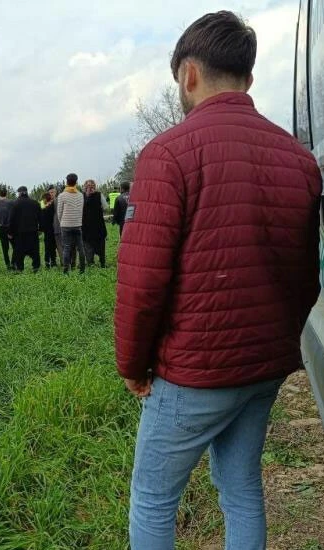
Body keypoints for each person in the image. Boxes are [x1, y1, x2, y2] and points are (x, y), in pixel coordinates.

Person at [115, 12, 322, 550]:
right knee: (241, 487)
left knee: (153, 498)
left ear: (188, 74)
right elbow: (307, 275)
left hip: (196, 371)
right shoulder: (300, 161)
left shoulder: (168, 154)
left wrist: (132, 365)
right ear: (248, 78)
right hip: (264, 367)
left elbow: (141, 285)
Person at [8, 186, 43, 272]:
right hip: (33, 231)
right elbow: (41, 217)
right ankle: (36, 267)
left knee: (19, 251)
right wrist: (40, 229)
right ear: (27, 192)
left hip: (19, 233)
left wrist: (10, 232)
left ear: (19, 193)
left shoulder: (15, 204)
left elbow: (11, 219)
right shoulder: (35, 203)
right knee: (35, 251)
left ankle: (20, 268)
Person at [57, 173, 86, 274]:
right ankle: (82, 269)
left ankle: (66, 270)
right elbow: (81, 210)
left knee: (66, 247)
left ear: (66, 182)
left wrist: (62, 222)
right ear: (76, 182)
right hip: (77, 224)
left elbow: (59, 212)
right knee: (80, 247)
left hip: (65, 225)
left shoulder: (62, 195)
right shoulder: (80, 195)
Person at [82, 180, 107, 268]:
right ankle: (100, 263)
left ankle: (92, 263)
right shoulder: (99, 195)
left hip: (90, 225)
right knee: (97, 244)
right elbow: (105, 207)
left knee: (89, 245)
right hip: (95, 225)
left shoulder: (82, 196)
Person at [0, 186, 15, 269]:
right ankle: (13, 263)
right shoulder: (12, 202)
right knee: (15, 246)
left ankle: (7, 264)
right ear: (7, 193)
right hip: (11, 227)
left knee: (4, 248)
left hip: (1, 228)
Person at [39, 191, 58, 268]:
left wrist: (41, 229)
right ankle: (53, 262)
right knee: (53, 247)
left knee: (47, 247)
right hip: (53, 229)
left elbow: (42, 220)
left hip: (47, 230)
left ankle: (47, 262)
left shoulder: (44, 209)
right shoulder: (53, 206)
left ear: (45, 199)